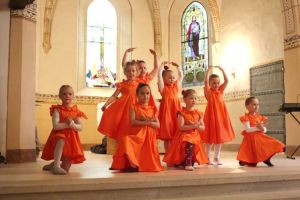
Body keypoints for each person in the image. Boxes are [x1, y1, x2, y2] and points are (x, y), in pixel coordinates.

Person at [110, 83, 163, 172]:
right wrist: (147, 121)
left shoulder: (152, 109)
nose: (145, 96)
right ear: (137, 95)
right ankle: (132, 164)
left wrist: (147, 122)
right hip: (138, 135)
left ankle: (135, 166)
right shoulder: (133, 107)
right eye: (142, 93)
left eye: (147, 93)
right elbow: (133, 121)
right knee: (125, 140)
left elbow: (157, 125)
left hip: (148, 137)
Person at [41, 85, 87, 175]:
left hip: (71, 141)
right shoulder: (57, 110)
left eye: (70, 94)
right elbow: (56, 126)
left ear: (73, 96)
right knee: (61, 139)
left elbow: (80, 127)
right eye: (64, 94)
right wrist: (67, 124)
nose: (67, 96)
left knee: (65, 168)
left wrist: (72, 124)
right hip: (58, 137)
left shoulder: (75, 111)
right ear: (60, 96)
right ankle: (56, 166)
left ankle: (53, 164)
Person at [163, 89, 208, 171]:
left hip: (195, 135)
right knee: (189, 140)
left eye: (195, 98)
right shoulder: (182, 113)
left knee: (192, 141)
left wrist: (196, 126)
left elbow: (203, 128)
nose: (194, 100)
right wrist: (194, 125)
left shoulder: (198, 113)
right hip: (184, 135)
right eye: (191, 98)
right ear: (185, 100)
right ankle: (187, 162)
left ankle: (187, 161)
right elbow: (181, 127)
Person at [237, 96, 285, 167]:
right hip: (251, 139)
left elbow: (264, 130)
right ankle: (244, 160)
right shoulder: (245, 117)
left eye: (258, 104)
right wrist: (257, 127)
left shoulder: (260, 117)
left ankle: (267, 159)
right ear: (247, 106)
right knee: (252, 164)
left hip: (261, 137)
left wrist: (262, 128)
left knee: (278, 145)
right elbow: (248, 129)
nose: (256, 106)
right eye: (254, 104)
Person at [202, 66, 235, 165]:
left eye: (217, 83)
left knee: (219, 138)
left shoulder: (220, 91)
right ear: (210, 84)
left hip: (221, 117)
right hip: (211, 117)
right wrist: (207, 72)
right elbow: (205, 82)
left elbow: (227, 80)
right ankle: (207, 158)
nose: (216, 85)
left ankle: (217, 157)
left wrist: (223, 70)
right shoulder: (208, 92)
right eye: (213, 83)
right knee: (209, 138)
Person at [98, 61, 139, 140]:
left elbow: (143, 96)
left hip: (135, 108)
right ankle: (122, 143)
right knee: (124, 124)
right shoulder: (122, 84)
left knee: (133, 125)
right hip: (123, 108)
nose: (131, 73)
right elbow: (114, 96)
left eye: (133, 71)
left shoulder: (139, 85)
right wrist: (106, 104)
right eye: (128, 71)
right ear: (125, 72)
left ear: (137, 72)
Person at [157, 61, 183, 152]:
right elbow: (159, 77)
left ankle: (175, 155)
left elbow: (180, 77)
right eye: (169, 78)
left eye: (173, 78)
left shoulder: (175, 87)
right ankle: (168, 155)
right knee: (167, 135)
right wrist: (161, 67)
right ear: (164, 80)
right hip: (167, 113)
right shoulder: (163, 88)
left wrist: (178, 67)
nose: (172, 79)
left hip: (176, 111)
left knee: (175, 134)